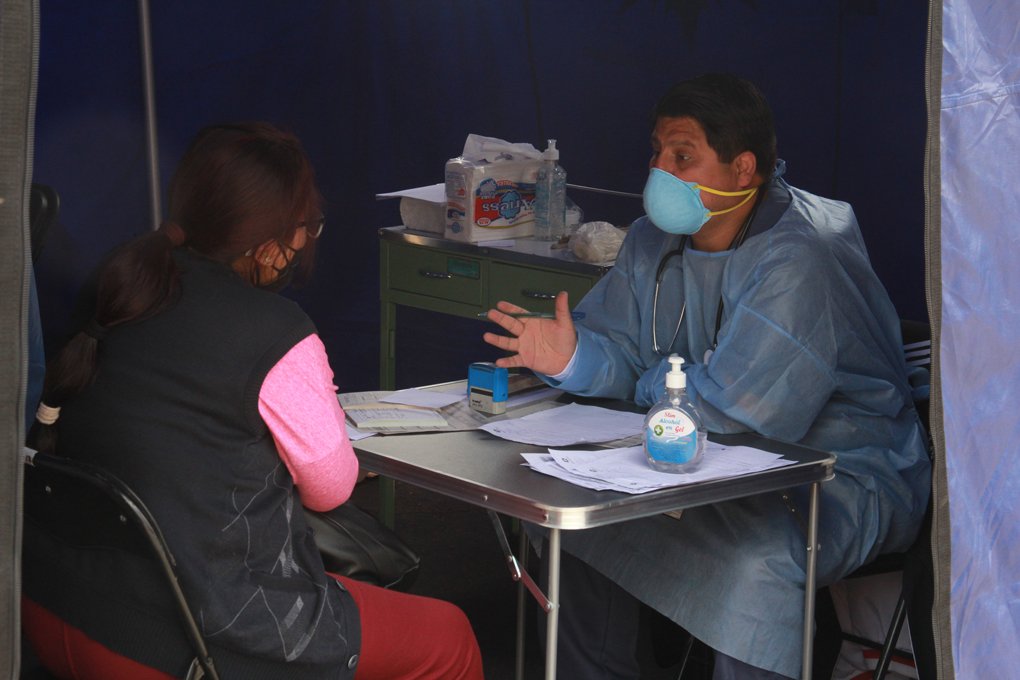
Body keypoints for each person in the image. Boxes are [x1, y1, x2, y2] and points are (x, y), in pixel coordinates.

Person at [481, 73, 931, 679]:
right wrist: (572, 357)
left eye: (682, 155)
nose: (661, 171)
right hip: (692, 458)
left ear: (743, 168)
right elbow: (620, 347)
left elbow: (740, 413)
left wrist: (648, 381)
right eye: (659, 152)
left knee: (753, 566)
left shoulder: (802, 257)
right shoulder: (652, 239)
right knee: (576, 529)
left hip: (837, 472)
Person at [23, 122, 484, 680]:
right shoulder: (275, 331)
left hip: (55, 606)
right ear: (273, 247)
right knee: (448, 638)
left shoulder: (122, 280)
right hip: (182, 639)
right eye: (307, 226)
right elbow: (331, 486)